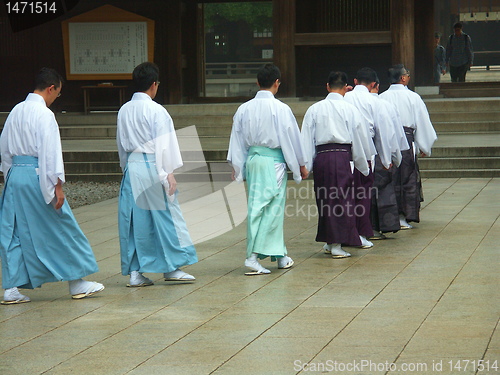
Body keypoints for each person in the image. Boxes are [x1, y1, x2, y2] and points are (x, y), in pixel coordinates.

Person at [0, 68, 104, 304]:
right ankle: (77, 282)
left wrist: (10, 175)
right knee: (62, 226)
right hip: (37, 175)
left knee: (13, 231)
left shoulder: (16, 110)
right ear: (51, 88)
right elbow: (51, 154)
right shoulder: (45, 115)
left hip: (16, 174)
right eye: (57, 92)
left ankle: (11, 288)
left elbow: (4, 148)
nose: (57, 97)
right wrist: (57, 186)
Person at [117, 62, 197, 287]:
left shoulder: (124, 110)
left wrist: (126, 169)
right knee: (165, 218)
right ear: (154, 85)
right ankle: (172, 268)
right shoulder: (157, 111)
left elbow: (121, 145)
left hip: (133, 166)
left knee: (134, 221)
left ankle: (135, 271)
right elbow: (163, 145)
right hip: (152, 165)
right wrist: (167, 174)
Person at [227, 63, 308, 275]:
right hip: (272, 162)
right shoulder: (281, 109)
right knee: (267, 209)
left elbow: (237, 140)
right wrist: (300, 164)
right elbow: (292, 139)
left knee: (264, 207)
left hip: (254, 160)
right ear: (277, 83)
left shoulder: (244, 109)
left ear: (257, 82)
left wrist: (237, 166)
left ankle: (279, 254)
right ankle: (253, 257)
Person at [301, 71, 372, 258]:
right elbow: (359, 137)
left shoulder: (314, 109)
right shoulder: (350, 109)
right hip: (342, 156)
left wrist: (305, 164)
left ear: (327, 86)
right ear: (345, 88)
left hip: (322, 158)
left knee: (326, 199)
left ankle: (330, 240)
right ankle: (336, 244)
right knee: (341, 200)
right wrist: (363, 164)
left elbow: (306, 139)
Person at [344, 67, 400, 248]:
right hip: (366, 150)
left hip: (343, 151)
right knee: (362, 195)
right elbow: (383, 132)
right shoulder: (375, 102)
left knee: (344, 196)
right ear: (374, 84)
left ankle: (343, 233)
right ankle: (360, 232)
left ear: (355, 81)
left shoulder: (345, 98)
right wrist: (386, 159)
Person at [380, 64, 437, 229]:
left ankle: (389, 217)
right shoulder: (413, 97)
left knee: (388, 179)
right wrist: (424, 146)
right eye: (407, 75)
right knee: (406, 179)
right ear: (402, 78)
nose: (408, 77)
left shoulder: (381, 98)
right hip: (406, 139)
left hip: (386, 142)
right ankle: (403, 216)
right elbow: (422, 122)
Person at [369, 79, 409, 238]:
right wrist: (392, 158)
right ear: (375, 85)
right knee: (381, 190)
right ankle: (376, 226)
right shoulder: (383, 105)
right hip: (378, 153)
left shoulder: (349, 101)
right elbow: (389, 135)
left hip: (354, 153)